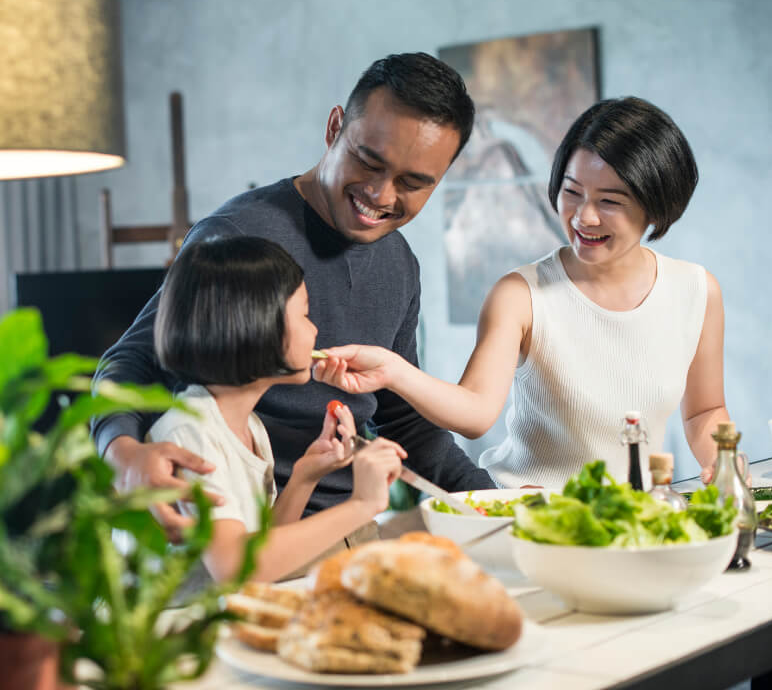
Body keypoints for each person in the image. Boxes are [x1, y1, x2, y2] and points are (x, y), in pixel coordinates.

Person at [92, 52, 495, 541]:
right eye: (369, 161)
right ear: (334, 128)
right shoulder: (238, 234)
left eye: (413, 183)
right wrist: (122, 454)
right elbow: (131, 361)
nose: (382, 195)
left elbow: (405, 421)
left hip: (348, 525)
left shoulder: (399, 263)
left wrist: (498, 503)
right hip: (244, 529)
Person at [313, 96, 730, 487]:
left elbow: (704, 411)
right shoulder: (521, 294)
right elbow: (475, 411)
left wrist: (722, 463)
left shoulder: (696, 290)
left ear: (656, 206)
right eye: (571, 192)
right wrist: (393, 370)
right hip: (524, 517)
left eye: (610, 202)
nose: (583, 216)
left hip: (626, 522)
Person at [149, 235, 405, 582]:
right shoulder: (189, 432)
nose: (315, 329)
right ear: (256, 325)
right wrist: (362, 504)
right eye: (304, 313)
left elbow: (264, 547)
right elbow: (235, 566)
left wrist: (304, 476)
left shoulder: (249, 425)